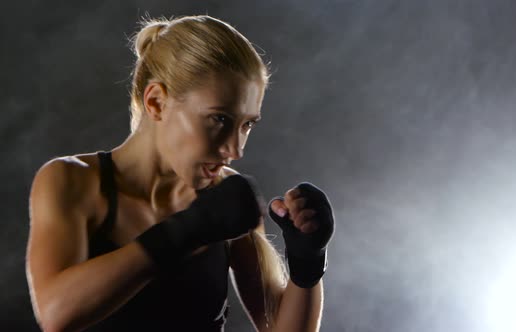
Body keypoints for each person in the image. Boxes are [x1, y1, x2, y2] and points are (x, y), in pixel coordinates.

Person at [25, 15, 335, 332]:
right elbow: (56, 313)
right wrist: (183, 232)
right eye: (219, 119)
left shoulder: (224, 195)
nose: (235, 149)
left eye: (247, 125)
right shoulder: (72, 181)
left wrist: (307, 266)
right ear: (157, 102)